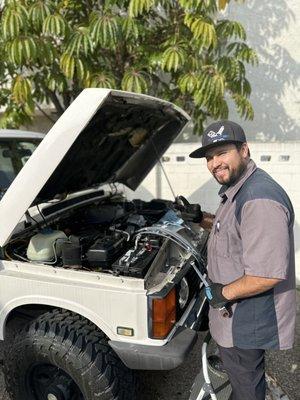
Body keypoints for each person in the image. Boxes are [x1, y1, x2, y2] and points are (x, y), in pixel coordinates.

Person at [185, 120, 296, 400]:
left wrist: (222, 292)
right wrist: (201, 218)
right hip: (235, 316)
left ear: (244, 150)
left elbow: (267, 274)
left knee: (248, 388)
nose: (214, 163)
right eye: (210, 157)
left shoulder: (258, 198)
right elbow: (233, 230)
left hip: (246, 320)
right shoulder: (240, 188)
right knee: (242, 380)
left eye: (222, 153)